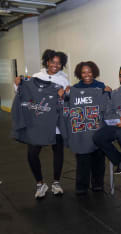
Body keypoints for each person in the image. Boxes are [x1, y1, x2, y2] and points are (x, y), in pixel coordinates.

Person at [14, 49, 69, 199]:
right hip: (37, 123)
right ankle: (40, 183)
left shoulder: (64, 80)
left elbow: (66, 101)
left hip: (56, 124)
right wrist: (17, 83)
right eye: (53, 62)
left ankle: (56, 183)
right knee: (32, 154)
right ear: (46, 62)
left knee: (58, 153)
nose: (55, 65)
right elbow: (23, 93)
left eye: (59, 63)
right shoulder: (35, 77)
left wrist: (63, 95)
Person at [65, 61, 110, 195]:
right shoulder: (74, 89)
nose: (87, 75)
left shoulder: (101, 87)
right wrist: (66, 94)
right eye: (84, 72)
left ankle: (98, 184)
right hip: (81, 131)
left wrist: (107, 92)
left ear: (94, 72)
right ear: (79, 74)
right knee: (82, 160)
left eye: (89, 72)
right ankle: (81, 186)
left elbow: (107, 104)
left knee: (99, 158)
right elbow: (66, 105)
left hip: (97, 128)